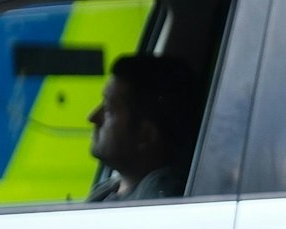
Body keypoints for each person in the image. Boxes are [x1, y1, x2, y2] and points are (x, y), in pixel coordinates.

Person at [86, 53, 202, 203]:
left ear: (146, 135)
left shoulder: (157, 201)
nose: (92, 117)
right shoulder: (109, 190)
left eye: (108, 110)